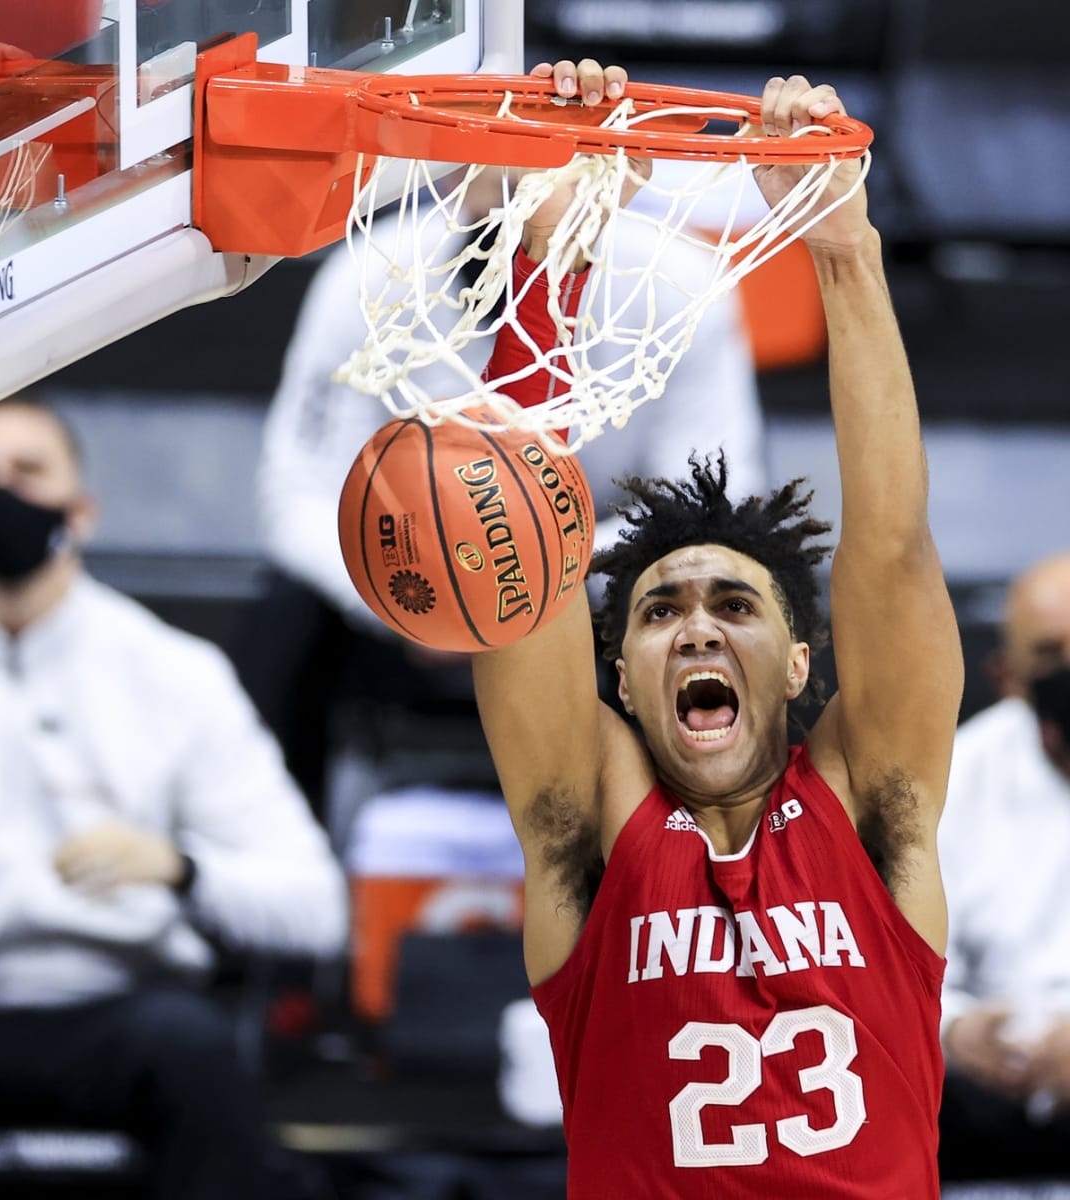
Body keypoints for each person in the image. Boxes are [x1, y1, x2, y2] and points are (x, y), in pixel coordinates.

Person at [469, 61, 963, 1196]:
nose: (696, 627)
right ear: (624, 682)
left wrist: (843, 250)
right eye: (659, 611)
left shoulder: (871, 809)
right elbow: (517, 578)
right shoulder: (588, 835)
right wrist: (556, 246)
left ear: (798, 664)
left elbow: (888, 549)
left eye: (734, 603)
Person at [0, 398, 348, 1199]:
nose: (2, 494)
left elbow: (317, 909)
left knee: (199, 1056)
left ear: (82, 512)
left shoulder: (174, 675)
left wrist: (181, 870)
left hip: (121, 1018)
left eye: (27, 473)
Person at [251, 129, 769, 813]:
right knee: (281, 625)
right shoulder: (369, 274)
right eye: (497, 166)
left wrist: (532, 581)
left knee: (737, 613)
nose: (521, 193)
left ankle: (695, 873)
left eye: (541, 177)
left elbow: (712, 503)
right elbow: (295, 498)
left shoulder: (680, 283)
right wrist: (408, 601)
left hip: (591, 595)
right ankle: (289, 853)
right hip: (403, 585)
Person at [938, 552, 1070, 1182]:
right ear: (1008, 675)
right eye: (1050, 655)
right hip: (985, 1098)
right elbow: (900, 961)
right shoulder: (954, 778)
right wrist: (954, 1031)